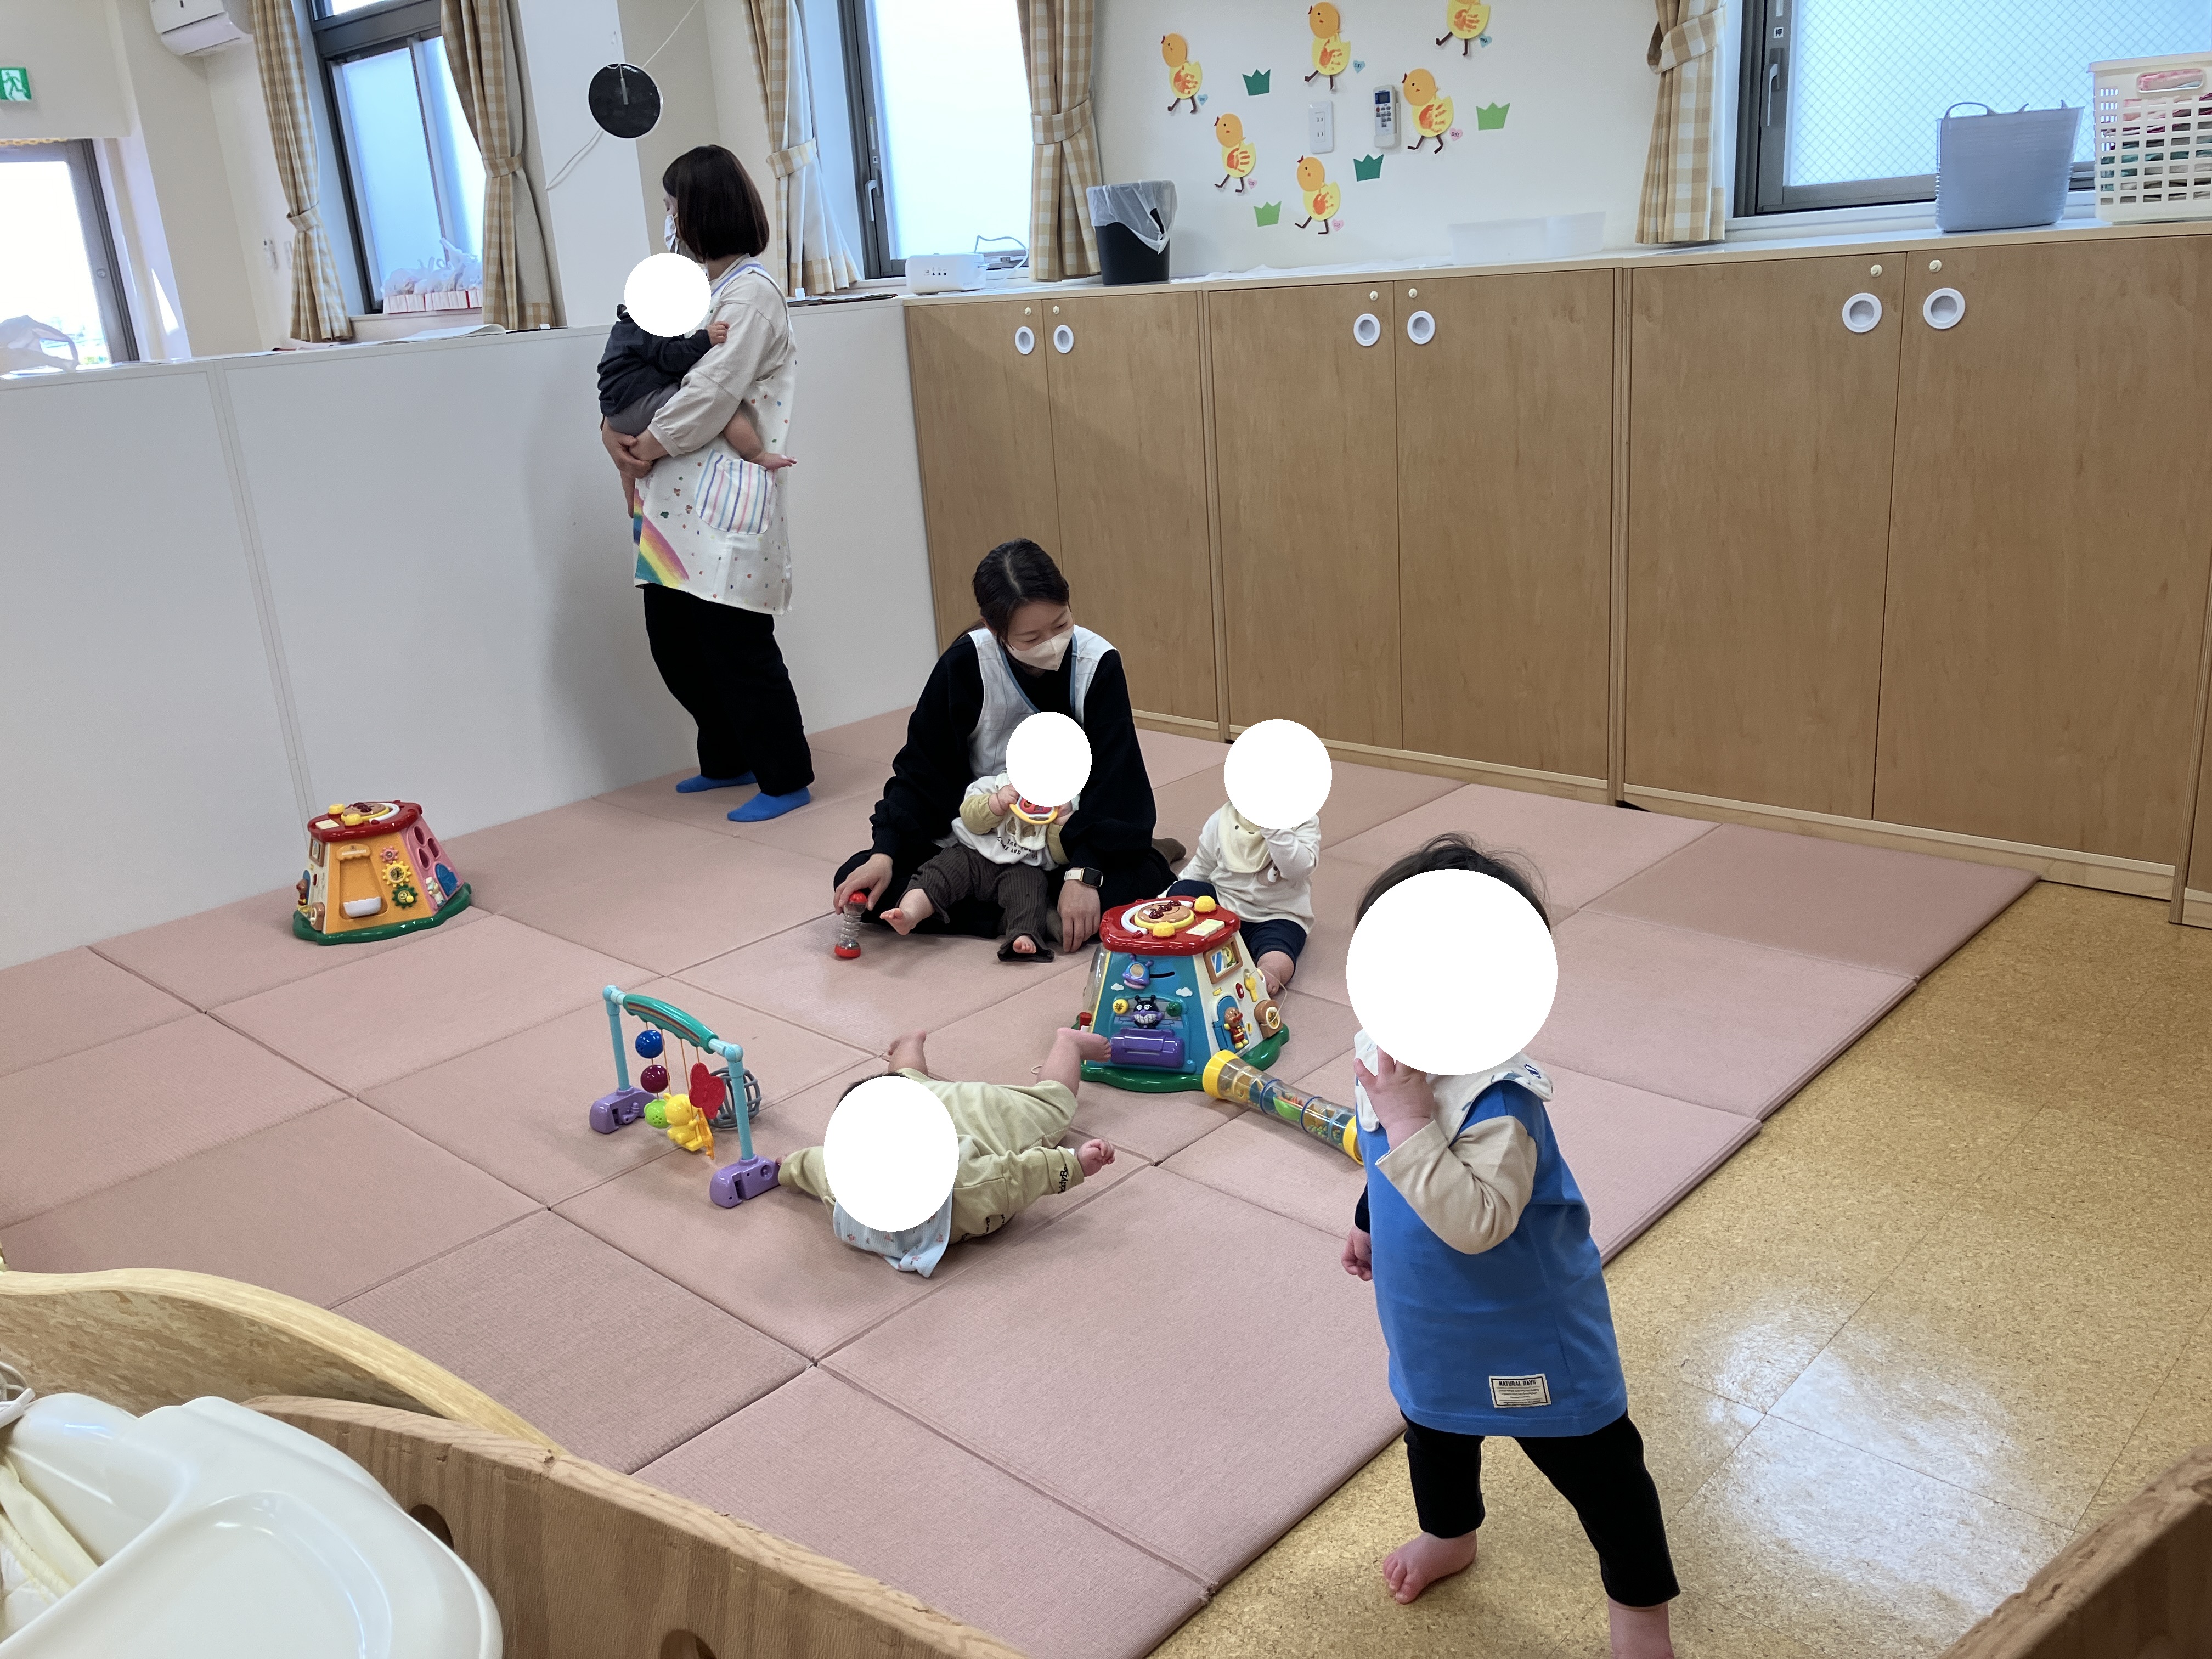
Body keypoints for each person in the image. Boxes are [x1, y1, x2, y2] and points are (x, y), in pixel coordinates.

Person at [1340, 833, 1678, 1657]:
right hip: (1430, 1321)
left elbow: (1478, 1221)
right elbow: (1385, 1154)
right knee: (1434, 1431)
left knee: (1602, 1474)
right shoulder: (1387, 1063)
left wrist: (1411, 1121)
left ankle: (1642, 1622)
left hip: (1528, 1335)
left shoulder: (1500, 1102)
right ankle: (1450, 1534)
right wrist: (1368, 1215)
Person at [601, 145, 813, 825]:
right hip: (670, 500)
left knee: (736, 644)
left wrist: (644, 446)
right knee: (675, 641)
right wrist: (612, 432)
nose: (667, 220)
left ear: (701, 210)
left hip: (722, 494)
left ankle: (785, 775)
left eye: (672, 207)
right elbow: (639, 366)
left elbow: (711, 391)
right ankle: (726, 757)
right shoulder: (694, 291)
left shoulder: (753, 295)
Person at [831, 540, 1177, 952]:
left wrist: (1084, 873)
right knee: (860, 881)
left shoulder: (1097, 664)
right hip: (978, 842)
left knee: (1140, 875)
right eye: (1031, 637)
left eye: (1061, 624)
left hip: (1062, 841)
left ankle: (1021, 909)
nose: (1052, 643)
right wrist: (884, 853)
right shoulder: (965, 664)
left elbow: (1116, 781)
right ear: (994, 629)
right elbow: (922, 771)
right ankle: (1029, 915)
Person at [771, 1027, 1117, 1274]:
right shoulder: (842, 1189)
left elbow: (1017, 1175)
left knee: (1052, 1104)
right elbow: (817, 1164)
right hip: (926, 1098)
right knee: (907, 1077)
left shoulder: (965, 1186)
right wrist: (789, 1166)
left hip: (991, 1114)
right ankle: (911, 1044)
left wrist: (1073, 1163)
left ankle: (1069, 1043)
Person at [882, 774, 1073, 961]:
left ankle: (1024, 933)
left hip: (1023, 867)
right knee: (939, 873)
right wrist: (995, 803)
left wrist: (1062, 822)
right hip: (973, 854)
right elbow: (970, 818)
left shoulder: (1063, 805)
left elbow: (1060, 856)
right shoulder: (992, 784)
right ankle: (910, 913)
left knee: (1030, 893)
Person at [597, 309, 791, 470]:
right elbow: (671, 357)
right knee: (717, 403)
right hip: (637, 403)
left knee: (628, 465)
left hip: (615, 414)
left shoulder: (625, 326)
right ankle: (756, 454)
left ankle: (630, 495)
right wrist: (704, 340)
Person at [1165, 801, 1319, 996]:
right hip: (1222, 906)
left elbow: (1297, 869)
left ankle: (1269, 971)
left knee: (1279, 945)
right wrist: (1168, 900)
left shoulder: (1303, 821)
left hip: (1275, 915)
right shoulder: (1222, 819)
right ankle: (1186, 947)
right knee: (1185, 889)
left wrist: (1275, 829)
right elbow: (1201, 867)